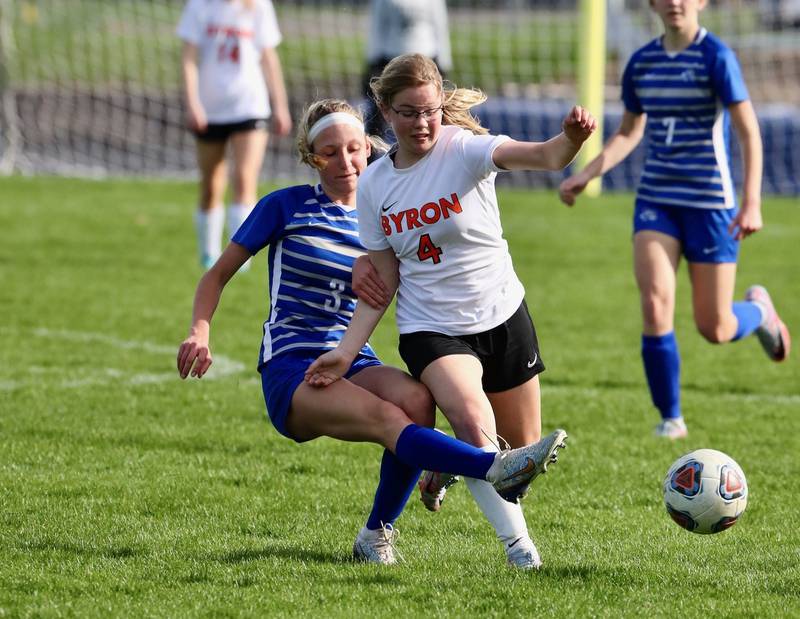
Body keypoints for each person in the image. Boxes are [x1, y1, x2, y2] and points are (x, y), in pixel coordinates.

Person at [177, 99, 568, 566]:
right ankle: (491, 465)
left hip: (353, 358)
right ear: (310, 156)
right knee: (391, 423)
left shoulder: (385, 206)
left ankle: (375, 534)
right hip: (292, 365)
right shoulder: (285, 207)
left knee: (419, 403)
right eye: (328, 153)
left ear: (368, 148)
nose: (344, 163)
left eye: (353, 150)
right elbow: (216, 275)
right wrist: (200, 331)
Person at [306, 53, 595, 569]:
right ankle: (521, 551)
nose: (422, 123)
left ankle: (441, 467)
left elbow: (549, 157)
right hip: (431, 329)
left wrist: (571, 138)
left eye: (431, 111)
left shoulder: (464, 149)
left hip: (503, 315)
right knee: (480, 435)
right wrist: (345, 352)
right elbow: (384, 279)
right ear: (385, 111)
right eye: (408, 113)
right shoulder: (374, 185)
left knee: (519, 460)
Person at [559, 0, 791, 439]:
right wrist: (585, 175)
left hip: (710, 204)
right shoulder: (642, 62)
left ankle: (759, 313)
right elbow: (630, 131)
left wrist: (752, 200)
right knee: (654, 302)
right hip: (657, 201)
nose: (675, 2)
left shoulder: (716, 56)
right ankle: (671, 419)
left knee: (715, 327)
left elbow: (748, 130)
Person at [177, 0, 292, 270]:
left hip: (250, 106)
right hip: (211, 109)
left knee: (244, 180)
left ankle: (240, 260)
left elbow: (268, 58)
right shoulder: (200, 6)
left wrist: (280, 106)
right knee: (211, 184)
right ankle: (208, 255)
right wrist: (193, 103)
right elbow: (188, 58)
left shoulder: (258, 6)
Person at [362, 0, 452, 140]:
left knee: (435, 110)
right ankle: (372, 151)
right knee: (377, 112)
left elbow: (440, 26)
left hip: (426, 61)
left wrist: (444, 62)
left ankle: (442, 148)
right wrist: (373, 61)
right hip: (391, 59)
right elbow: (377, 27)